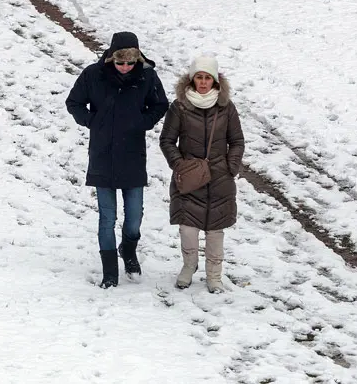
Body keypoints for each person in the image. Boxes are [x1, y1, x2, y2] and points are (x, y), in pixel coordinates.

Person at [66, 32, 169, 288]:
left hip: (133, 154)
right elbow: (74, 102)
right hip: (103, 154)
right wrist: (93, 122)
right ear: (112, 58)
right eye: (120, 62)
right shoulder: (93, 75)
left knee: (134, 216)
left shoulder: (147, 77)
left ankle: (129, 249)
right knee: (107, 217)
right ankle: (110, 271)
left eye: (130, 63)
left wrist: (141, 123)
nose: (125, 67)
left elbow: (160, 104)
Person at [159, 55, 245, 292]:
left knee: (215, 229)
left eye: (208, 78)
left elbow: (236, 141)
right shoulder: (179, 107)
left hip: (220, 178)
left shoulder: (227, 108)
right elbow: (167, 140)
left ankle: (214, 275)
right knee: (187, 227)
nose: (203, 82)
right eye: (199, 77)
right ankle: (189, 265)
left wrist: (231, 167)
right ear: (192, 79)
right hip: (189, 178)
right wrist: (180, 165)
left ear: (215, 81)